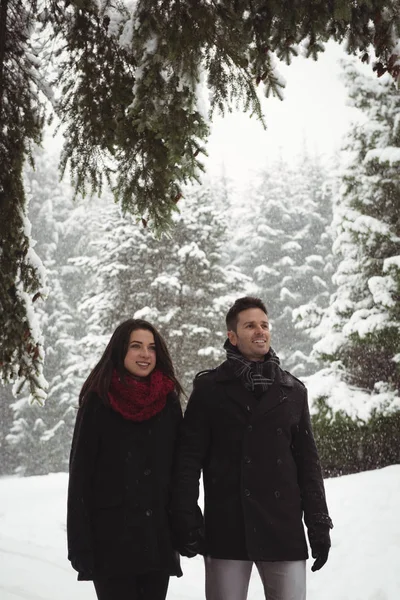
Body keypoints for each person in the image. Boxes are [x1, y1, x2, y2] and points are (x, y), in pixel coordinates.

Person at [171, 297, 333, 600]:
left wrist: (319, 525)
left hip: (283, 529)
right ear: (232, 336)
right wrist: (186, 516)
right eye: (249, 325)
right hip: (228, 527)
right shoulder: (209, 389)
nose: (260, 331)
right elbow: (188, 461)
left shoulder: (293, 391)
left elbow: (308, 466)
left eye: (264, 325)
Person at [67, 318, 183, 600]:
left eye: (151, 347)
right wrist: (79, 544)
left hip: (157, 538)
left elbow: (180, 471)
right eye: (136, 346)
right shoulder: (98, 400)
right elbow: (80, 477)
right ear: (120, 351)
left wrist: (185, 520)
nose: (145, 354)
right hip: (110, 541)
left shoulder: (168, 401)